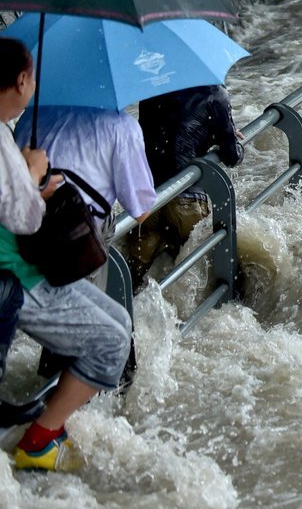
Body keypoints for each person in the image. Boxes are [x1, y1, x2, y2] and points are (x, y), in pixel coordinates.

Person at [0, 38, 132, 472]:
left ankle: (47, 429)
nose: (34, 84)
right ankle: (39, 441)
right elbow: (23, 218)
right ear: (21, 81)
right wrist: (33, 176)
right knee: (112, 341)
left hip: (22, 263)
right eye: (32, 76)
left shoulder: (6, 131)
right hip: (15, 275)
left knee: (121, 321)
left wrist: (27, 180)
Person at [130, 85, 244, 291]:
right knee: (216, 274)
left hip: (150, 200)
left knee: (132, 280)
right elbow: (232, 156)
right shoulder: (214, 91)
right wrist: (229, 137)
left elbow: (160, 132)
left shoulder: (151, 88)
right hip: (187, 201)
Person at [15, 105, 157, 226]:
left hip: (20, 224)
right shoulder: (122, 126)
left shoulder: (33, 111)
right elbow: (141, 211)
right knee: (109, 220)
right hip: (74, 236)